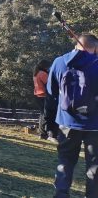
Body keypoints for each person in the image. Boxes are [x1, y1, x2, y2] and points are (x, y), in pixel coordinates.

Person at [45, 33, 98, 198]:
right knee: (95, 166)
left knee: (65, 162)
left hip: (67, 123)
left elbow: (51, 95)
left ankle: (61, 194)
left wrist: (48, 124)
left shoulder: (59, 62)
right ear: (95, 48)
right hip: (95, 126)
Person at [33, 59, 52, 140]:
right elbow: (50, 83)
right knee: (45, 115)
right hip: (43, 95)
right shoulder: (43, 74)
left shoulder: (36, 73)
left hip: (37, 95)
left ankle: (41, 132)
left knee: (42, 115)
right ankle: (43, 133)